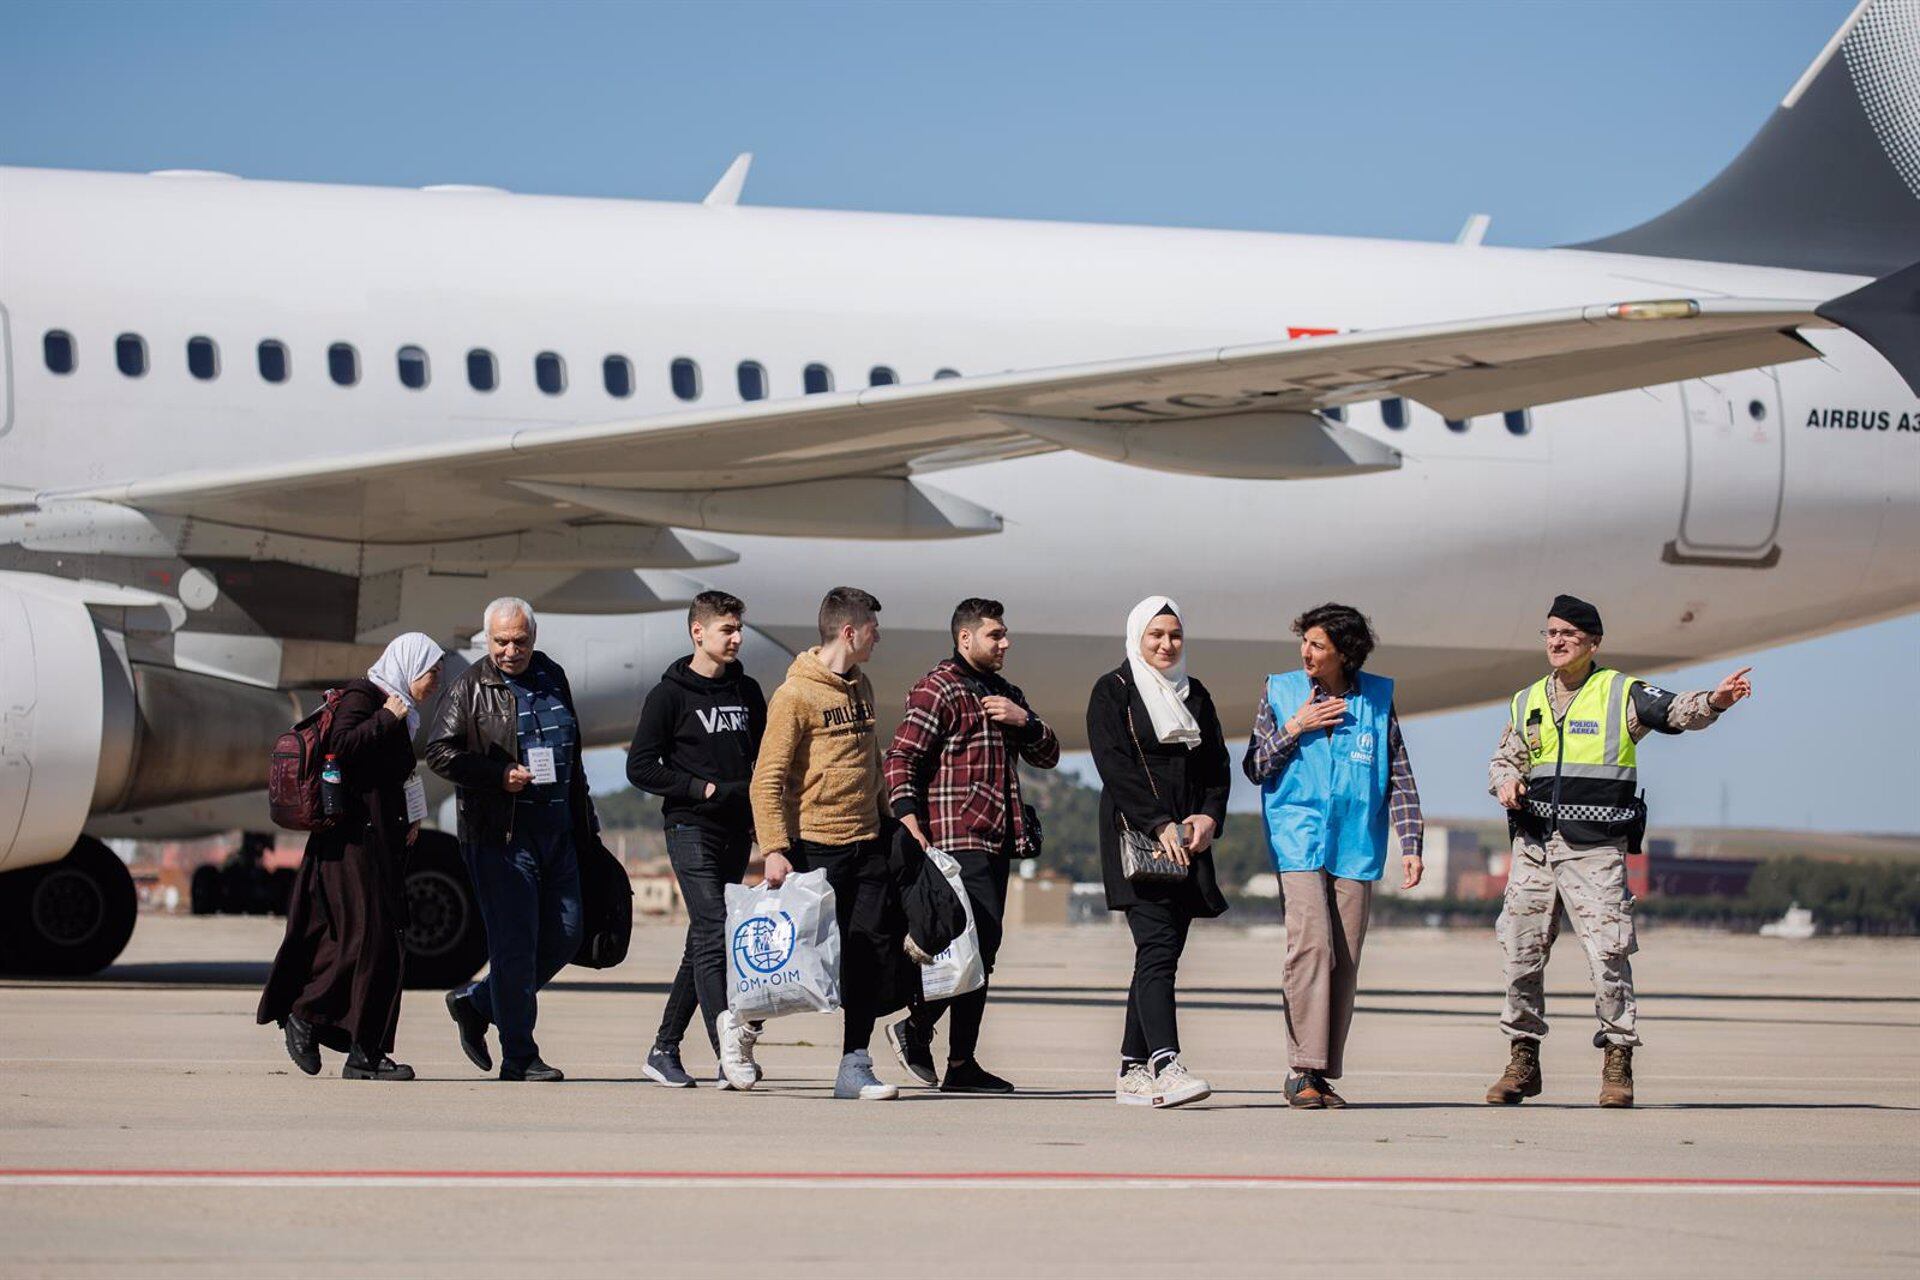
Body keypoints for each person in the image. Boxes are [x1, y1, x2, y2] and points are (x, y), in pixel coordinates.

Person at [1486, 594, 1753, 1108]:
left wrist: (1716, 701)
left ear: (1593, 642)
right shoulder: (1527, 701)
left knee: (1608, 955)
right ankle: (1523, 1060)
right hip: (1536, 847)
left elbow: (1676, 711)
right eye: (1550, 633)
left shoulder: (1621, 692)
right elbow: (1503, 758)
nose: (1557, 642)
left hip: (1595, 851)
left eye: (1567, 634)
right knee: (1520, 952)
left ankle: (1617, 1061)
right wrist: (1505, 780)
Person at [1243, 603, 1424, 1109]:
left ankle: (1322, 1073)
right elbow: (1256, 765)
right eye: (1304, 641)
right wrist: (1295, 726)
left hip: (1356, 843)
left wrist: (1411, 844)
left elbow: (1400, 775)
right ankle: (1301, 1069)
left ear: (1344, 654)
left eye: (1317, 645)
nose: (1306, 651)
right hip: (1297, 839)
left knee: (1344, 959)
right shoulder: (1280, 692)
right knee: (1312, 947)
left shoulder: (1378, 699)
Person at [882, 597, 1060, 1093]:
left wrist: (1024, 720)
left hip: (997, 839)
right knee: (971, 949)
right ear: (965, 638)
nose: (1005, 643)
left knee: (985, 951)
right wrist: (909, 821)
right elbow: (901, 757)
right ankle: (916, 1029)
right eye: (995, 635)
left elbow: (1049, 755)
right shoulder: (938, 687)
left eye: (1005, 635)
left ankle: (961, 1064)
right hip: (953, 840)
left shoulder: (1006, 693)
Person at [427, 597, 600, 1083]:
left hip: (558, 830)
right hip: (501, 837)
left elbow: (573, 754)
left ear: (534, 637)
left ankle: (478, 1000)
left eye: (519, 641)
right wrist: (496, 774)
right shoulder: (470, 686)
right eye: (501, 641)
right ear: (488, 639)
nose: (510, 650)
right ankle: (519, 1056)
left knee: (566, 934)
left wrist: (584, 819)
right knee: (515, 947)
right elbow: (440, 752)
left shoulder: (552, 676)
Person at [258, 632, 446, 1081]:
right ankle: (308, 1014)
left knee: (383, 941)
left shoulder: (402, 709)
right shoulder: (367, 697)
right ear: (408, 665)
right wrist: (385, 718)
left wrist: (414, 816)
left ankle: (366, 1051)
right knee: (367, 939)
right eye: (431, 671)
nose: (436, 680)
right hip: (350, 843)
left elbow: (401, 776)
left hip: (382, 839)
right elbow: (340, 747)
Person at [745, 586, 902, 1101]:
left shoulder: (864, 686)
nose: (879, 637)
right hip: (814, 849)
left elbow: (871, 764)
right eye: (873, 629)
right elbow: (766, 778)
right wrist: (773, 848)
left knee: (868, 953)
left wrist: (887, 822)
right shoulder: (795, 696)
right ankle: (743, 1027)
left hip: (867, 843)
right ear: (849, 632)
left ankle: (854, 1065)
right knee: (800, 962)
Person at [1085, 597, 1231, 1109]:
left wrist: (1209, 817)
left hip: (1188, 841)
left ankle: (1131, 1069)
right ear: (1136, 638)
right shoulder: (1114, 692)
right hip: (1137, 835)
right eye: (1156, 636)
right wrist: (1158, 822)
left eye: (1174, 636)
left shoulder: (1196, 695)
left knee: (1160, 953)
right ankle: (1166, 1063)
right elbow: (1115, 766)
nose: (1166, 645)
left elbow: (1216, 765)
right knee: (1158, 949)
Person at [625, 590, 767, 1089]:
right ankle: (726, 1048)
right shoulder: (669, 696)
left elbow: (763, 763)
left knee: (703, 940)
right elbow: (639, 765)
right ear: (698, 632)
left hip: (736, 830)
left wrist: (764, 822)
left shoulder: (746, 691)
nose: (736, 638)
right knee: (716, 928)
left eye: (738, 628)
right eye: (727, 629)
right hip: (690, 826)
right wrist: (697, 788)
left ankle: (663, 1049)